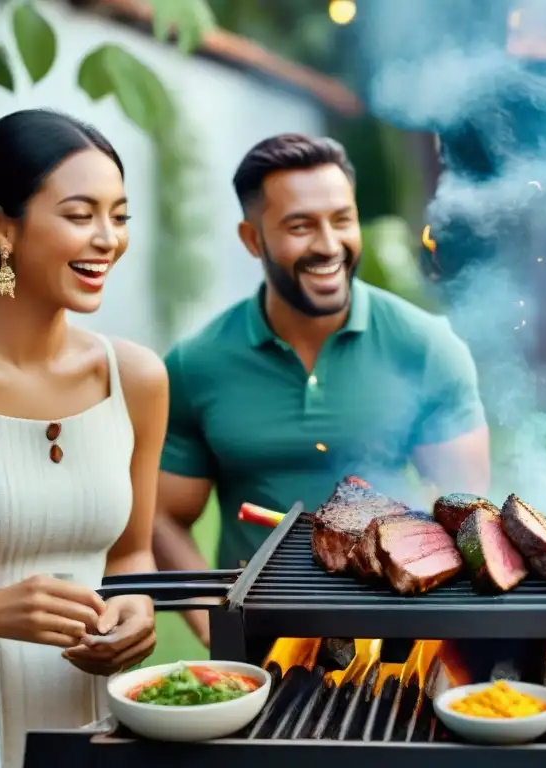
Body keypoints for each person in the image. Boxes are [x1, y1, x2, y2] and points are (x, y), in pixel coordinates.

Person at [152, 133, 490, 647]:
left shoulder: (425, 347)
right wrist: (216, 629)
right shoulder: (197, 363)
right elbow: (163, 517)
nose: (329, 245)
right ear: (252, 239)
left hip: (392, 642)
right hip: (261, 643)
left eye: (342, 219)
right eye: (300, 226)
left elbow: (468, 513)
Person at [0, 109, 166, 768]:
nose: (107, 240)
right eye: (79, 214)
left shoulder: (136, 378)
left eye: (119, 216)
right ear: (3, 229)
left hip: (90, 730)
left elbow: (130, 554)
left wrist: (137, 606)